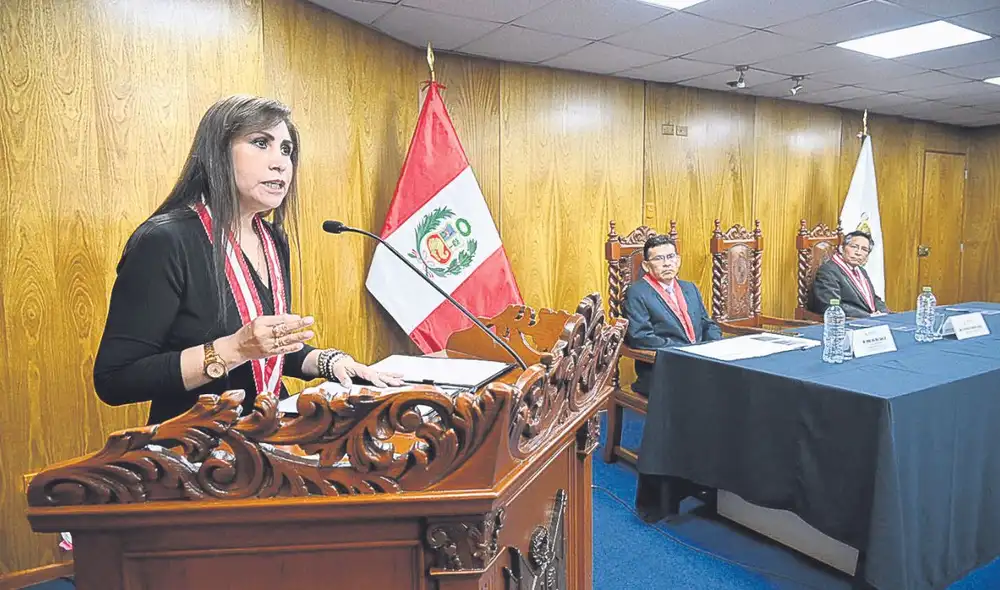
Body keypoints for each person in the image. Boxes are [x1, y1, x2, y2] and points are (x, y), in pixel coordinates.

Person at [94, 95, 402, 425]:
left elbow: (265, 351)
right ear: (218, 154)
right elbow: (116, 379)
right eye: (260, 143)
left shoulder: (273, 240)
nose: (281, 163)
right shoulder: (165, 241)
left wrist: (330, 362)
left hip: (271, 432)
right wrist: (234, 349)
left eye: (286, 150)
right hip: (194, 449)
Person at [623, 234, 722, 396]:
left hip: (699, 362)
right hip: (662, 368)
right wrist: (684, 351)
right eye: (659, 259)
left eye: (670, 256)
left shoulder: (690, 288)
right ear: (647, 266)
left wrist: (714, 345)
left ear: (678, 261)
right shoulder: (637, 292)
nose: (667, 263)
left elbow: (707, 324)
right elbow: (640, 337)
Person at [808, 230, 889, 318]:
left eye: (864, 249)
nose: (858, 253)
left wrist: (884, 313)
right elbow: (831, 305)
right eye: (854, 247)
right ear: (841, 248)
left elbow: (872, 298)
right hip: (848, 323)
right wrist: (868, 316)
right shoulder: (828, 271)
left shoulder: (861, 271)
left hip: (869, 320)